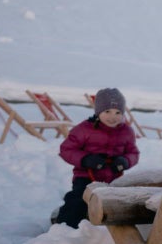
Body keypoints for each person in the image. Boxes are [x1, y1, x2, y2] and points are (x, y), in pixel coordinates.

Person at [54, 88, 139, 228]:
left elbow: (133, 153)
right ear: (98, 111)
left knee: (119, 202)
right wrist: (85, 159)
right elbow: (66, 149)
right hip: (86, 176)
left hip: (114, 177)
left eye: (118, 112)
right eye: (107, 112)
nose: (113, 117)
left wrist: (125, 161)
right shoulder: (84, 129)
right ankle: (65, 227)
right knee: (79, 200)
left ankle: (109, 229)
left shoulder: (126, 131)